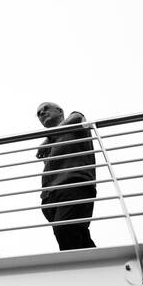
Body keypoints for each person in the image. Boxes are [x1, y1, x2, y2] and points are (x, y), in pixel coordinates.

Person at [35, 102, 97, 250]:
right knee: (76, 233)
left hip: (74, 185)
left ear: (60, 111)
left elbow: (78, 117)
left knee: (64, 230)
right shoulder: (51, 144)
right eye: (39, 113)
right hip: (52, 197)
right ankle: (100, 266)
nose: (42, 113)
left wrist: (49, 137)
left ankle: (78, 268)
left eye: (46, 109)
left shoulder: (75, 122)